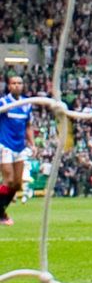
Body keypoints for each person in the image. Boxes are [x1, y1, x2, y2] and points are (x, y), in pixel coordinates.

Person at [0, 76, 35, 226]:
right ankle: (1, 213)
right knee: (8, 179)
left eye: (19, 83)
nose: (16, 86)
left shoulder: (26, 104)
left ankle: (1, 211)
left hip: (20, 147)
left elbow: (28, 126)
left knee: (17, 184)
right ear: (9, 86)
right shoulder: (3, 103)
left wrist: (32, 144)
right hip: (4, 145)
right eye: (13, 83)